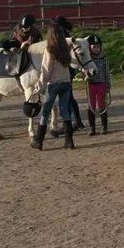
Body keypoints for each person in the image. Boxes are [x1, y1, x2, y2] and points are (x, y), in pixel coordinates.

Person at [31, 20, 74, 151]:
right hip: (66, 83)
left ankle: (39, 140)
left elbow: (45, 71)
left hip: (53, 84)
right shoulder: (66, 49)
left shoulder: (50, 50)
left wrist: (39, 86)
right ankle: (69, 141)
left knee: (45, 112)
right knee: (65, 111)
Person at [85, 34, 111, 135]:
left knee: (102, 105)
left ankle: (104, 126)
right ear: (90, 48)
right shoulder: (88, 60)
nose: (96, 49)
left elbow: (106, 72)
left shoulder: (103, 59)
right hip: (91, 84)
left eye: (98, 47)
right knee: (91, 106)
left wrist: (108, 85)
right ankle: (92, 127)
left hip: (101, 84)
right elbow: (83, 69)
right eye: (94, 47)